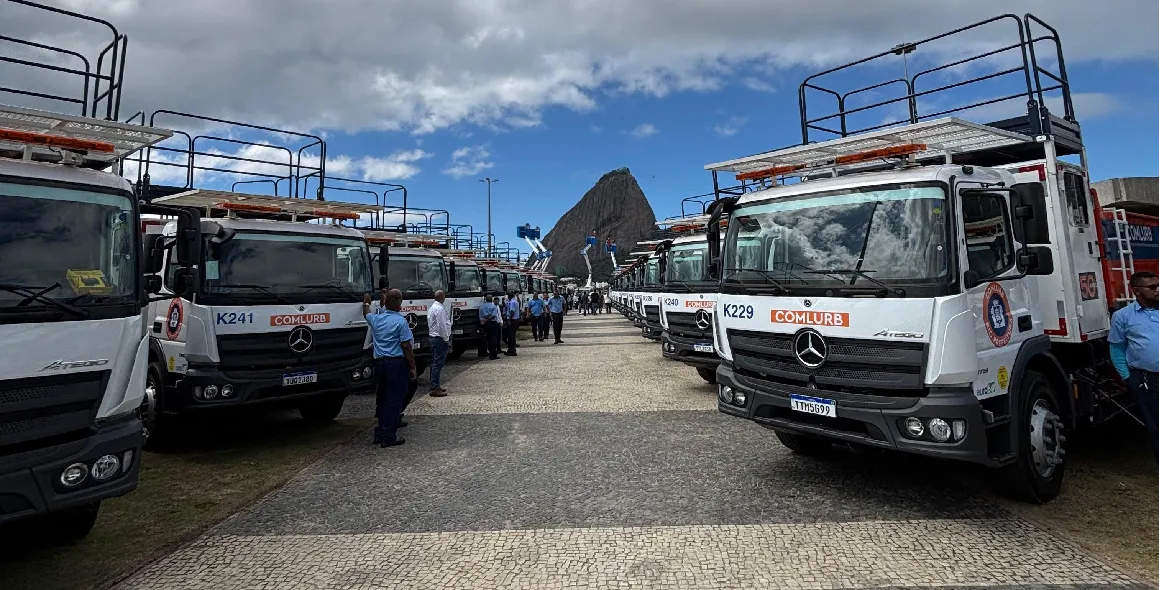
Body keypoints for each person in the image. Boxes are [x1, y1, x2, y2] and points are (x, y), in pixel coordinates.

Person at [1109, 270, 1160, 467]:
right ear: (1137, 291)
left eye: (1158, 286)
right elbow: (1117, 348)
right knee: (1156, 427)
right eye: (1153, 287)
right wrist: (1127, 378)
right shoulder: (1123, 317)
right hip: (1148, 381)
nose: (1157, 290)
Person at [363, 288, 416, 448]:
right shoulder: (401, 322)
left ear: (386, 303)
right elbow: (406, 346)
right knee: (395, 399)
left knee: (383, 398)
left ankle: (380, 432)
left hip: (380, 363)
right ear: (400, 304)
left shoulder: (376, 319)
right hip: (396, 363)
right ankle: (389, 436)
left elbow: (366, 313)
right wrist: (412, 366)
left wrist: (366, 302)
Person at [427, 290, 450, 397]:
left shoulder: (432, 308)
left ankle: (435, 384)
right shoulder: (439, 309)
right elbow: (442, 325)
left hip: (433, 337)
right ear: (442, 297)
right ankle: (434, 387)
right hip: (439, 338)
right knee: (438, 363)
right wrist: (446, 338)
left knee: (434, 362)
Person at [479, 295, 502, 360]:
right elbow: (494, 315)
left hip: (485, 324)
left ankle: (488, 351)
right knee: (494, 339)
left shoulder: (481, 307)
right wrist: (489, 317)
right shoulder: (494, 306)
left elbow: (481, 316)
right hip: (493, 323)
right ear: (492, 299)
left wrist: (484, 319)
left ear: (485, 299)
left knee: (488, 338)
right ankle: (493, 354)